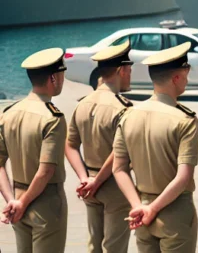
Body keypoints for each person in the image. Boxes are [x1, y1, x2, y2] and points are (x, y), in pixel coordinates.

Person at [113, 42, 198, 253]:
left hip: (141, 212)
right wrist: (153, 209)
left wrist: (139, 207)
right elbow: (183, 178)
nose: (187, 80)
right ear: (176, 78)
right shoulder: (185, 120)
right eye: (186, 74)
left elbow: (119, 168)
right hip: (175, 213)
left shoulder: (129, 115)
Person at [66, 40, 134, 253]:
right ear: (121, 70)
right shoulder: (123, 108)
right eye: (129, 70)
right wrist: (97, 181)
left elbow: (70, 145)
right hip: (114, 183)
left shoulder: (82, 104)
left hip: (89, 184)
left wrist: (85, 178)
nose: (130, 75)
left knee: (94, 245)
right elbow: (119, 152)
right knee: (114, 247)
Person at [0, 48, 69, 252]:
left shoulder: (9, 113)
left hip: (17, 197)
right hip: (46, 202)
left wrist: (13, 201)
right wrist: (24, 202)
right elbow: (45, 171)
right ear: (53, 78)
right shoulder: (53, 118)